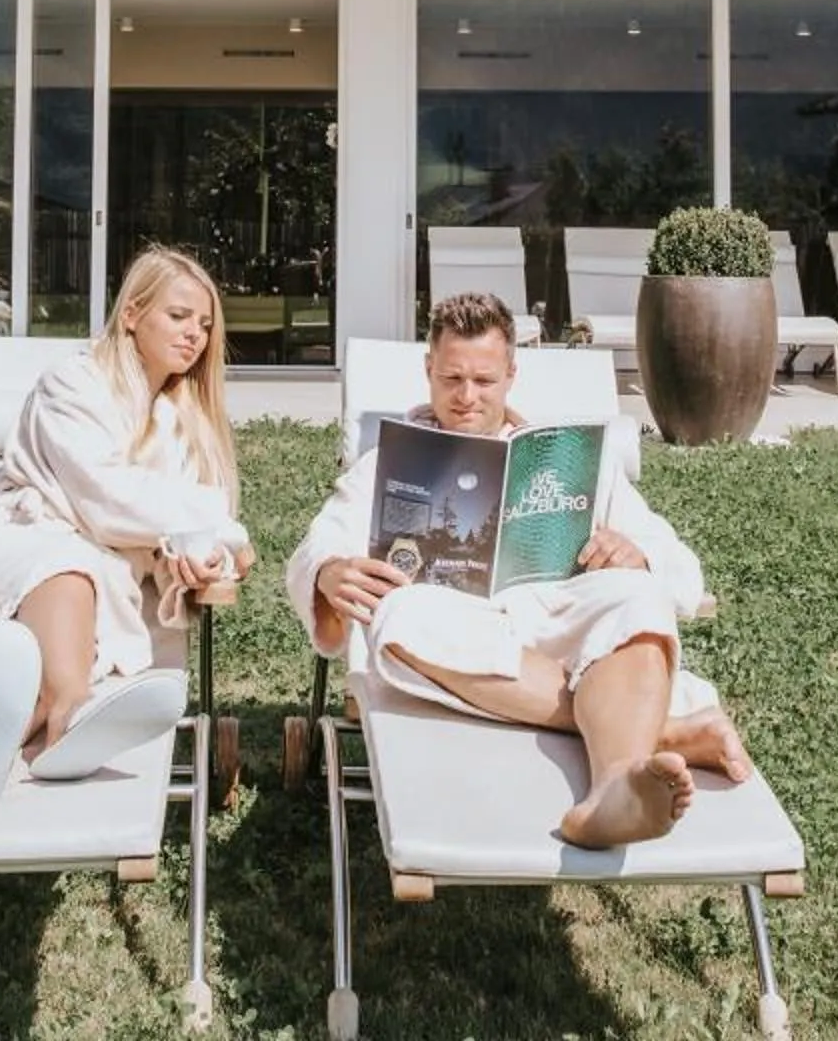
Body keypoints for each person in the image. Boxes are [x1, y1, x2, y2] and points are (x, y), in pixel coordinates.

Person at [284, 290, 752, 847]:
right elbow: (319, 543)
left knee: (639, 600)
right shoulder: (386, 462)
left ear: (511, 374)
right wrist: (328, 572)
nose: (466, 397)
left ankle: (614, 790)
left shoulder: (572, 461)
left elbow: (677, 563)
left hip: (561, 628)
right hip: (459, 632)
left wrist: (640, 555)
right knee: (399, 615)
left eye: (484, 381)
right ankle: (644, 745)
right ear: (428, 370)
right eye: (452, 379)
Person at [0, 245, 254, 807]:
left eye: (205, 325)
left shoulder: (185, 425)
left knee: (73, 586)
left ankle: (19, 735)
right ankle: (69, 716)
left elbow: (172, 531)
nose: (195, 335)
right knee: (68, 564)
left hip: (86, 592)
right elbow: (107, 501)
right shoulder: (74, 382)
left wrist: (197, 559)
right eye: (178, 316)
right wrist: (222, 527)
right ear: (131, 313)